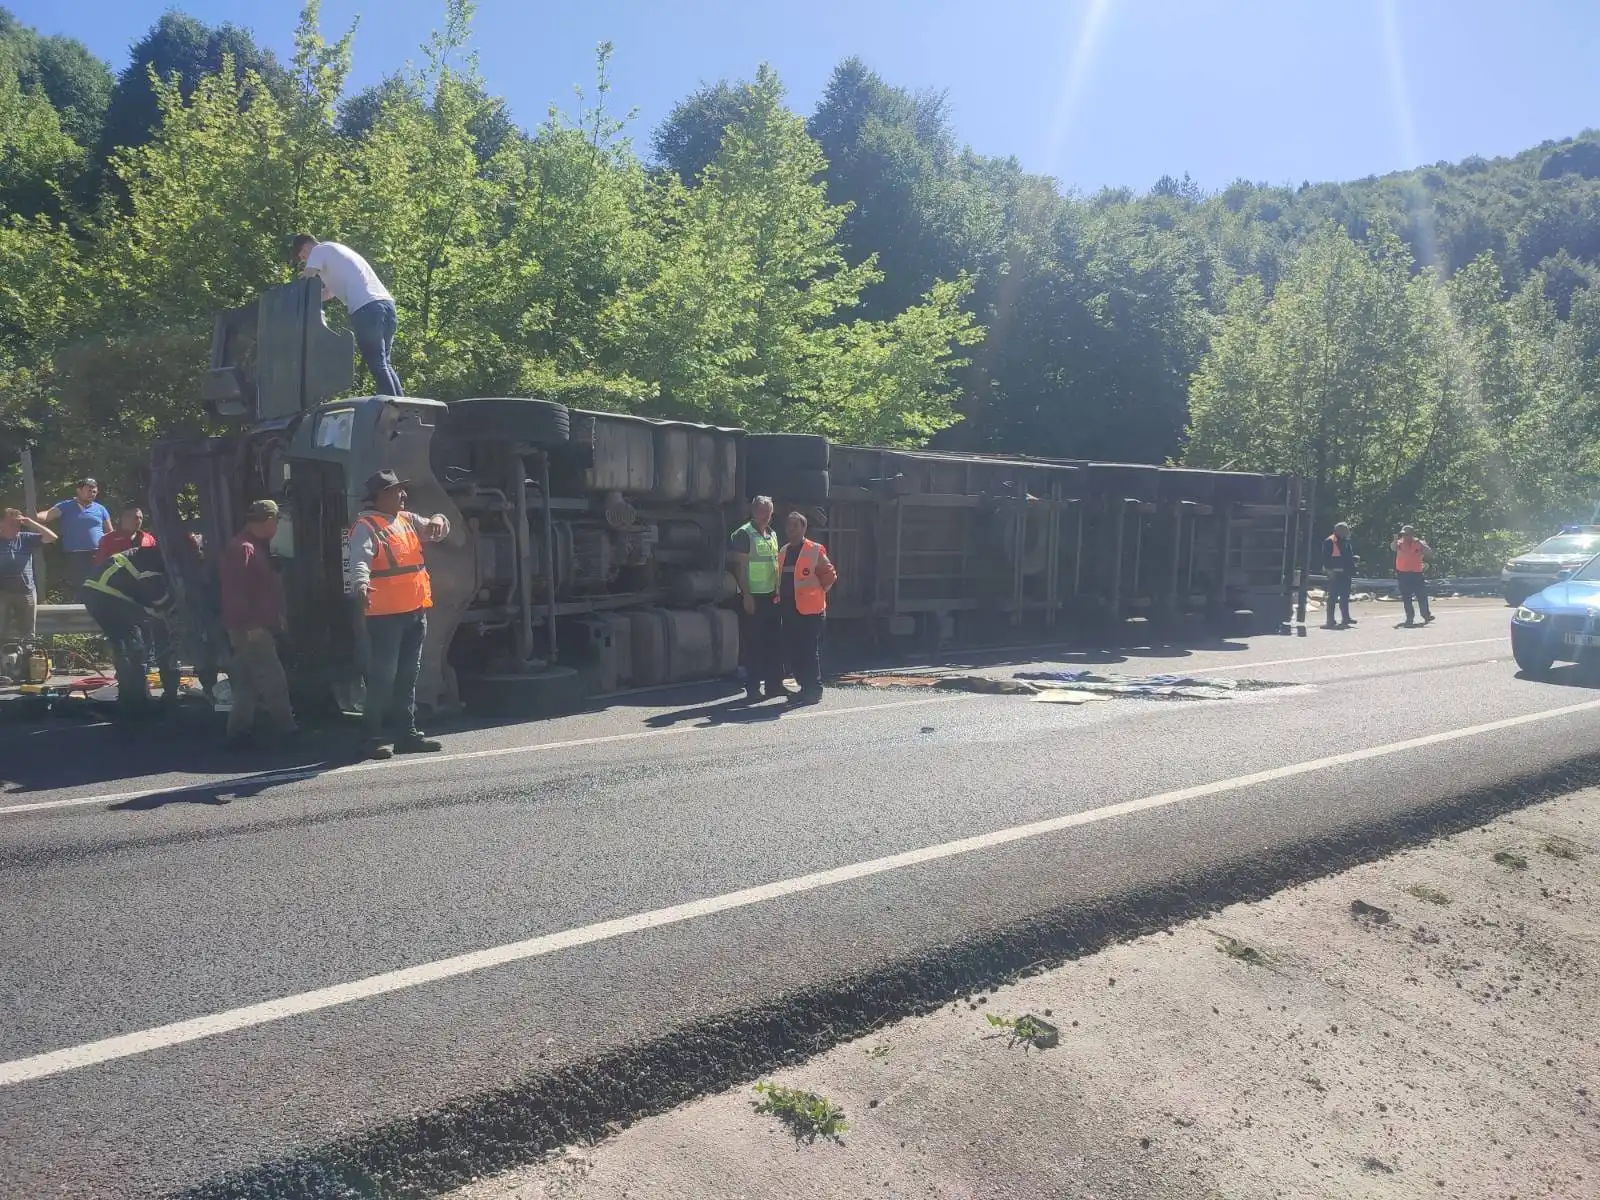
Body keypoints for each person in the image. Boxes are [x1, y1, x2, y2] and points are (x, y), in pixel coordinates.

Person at [345, 470, 449, 759]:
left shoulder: (407, 520)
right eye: (396, 491)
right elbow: (360, 560)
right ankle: (370, 737)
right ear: (380, 497)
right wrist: (361, 584)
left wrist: (441, 519)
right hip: (386, 615)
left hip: (414, 611)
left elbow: (437, 526)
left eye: (402, 491)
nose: (403, 495)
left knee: (407, 676)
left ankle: (407, 735)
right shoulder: (366, 526)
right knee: (383, 677)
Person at [219, 500, 297, 751]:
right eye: (276, 521)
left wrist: (276, 616)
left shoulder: (253, 547)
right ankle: (287, 732)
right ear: (267, 521)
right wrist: (252, 625)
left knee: (246, 683)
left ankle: (237, 735)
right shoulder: (243, 548)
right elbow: (236, 592)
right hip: (250, 629)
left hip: (248, 626)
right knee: (274, 678)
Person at [292, 234, 403, 397]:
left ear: (307, 246)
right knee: (384, 363)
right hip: (386, 305)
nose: (305, 260)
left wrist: (294, 297)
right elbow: (328, 294)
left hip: (367, 309)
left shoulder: (319, 250)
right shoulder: (336, 251)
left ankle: (394, 408)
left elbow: (307, 278)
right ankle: (402, 407)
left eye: (303, 256)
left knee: (377, 364)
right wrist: (310, 300)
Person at [81, 544, 178, 716]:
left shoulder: (149, 556)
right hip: (107, 595)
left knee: (126, 647)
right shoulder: (154, 565)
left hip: (99, 591)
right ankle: (136, 704)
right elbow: (159, 604)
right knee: (133, 647)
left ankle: (130, 697)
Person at [775, 511, 837, 706]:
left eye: (795, 526)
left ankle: (814, 690)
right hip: (790, 610)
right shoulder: (784, 551)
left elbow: (829, 576)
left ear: (803, 528)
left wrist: (818, 594)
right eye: (789, 526)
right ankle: (804, 688)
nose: (791, 529)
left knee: (808, 651)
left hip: (811, 612)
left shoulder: (813, 550)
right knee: (795, 651)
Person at [728, 495, 787, 702]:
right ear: (754, 512)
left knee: (774, 643)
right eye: (762, 512)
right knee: (753, 644)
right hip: (753, 597)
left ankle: (774, 685)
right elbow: (740, 567)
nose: (766, 516)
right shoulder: (744, 534)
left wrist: (779, 590)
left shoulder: (772, 534)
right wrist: (747, 595)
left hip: (772, 596)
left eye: (769, 512)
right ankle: (753, 688)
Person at [1, 508, 57, 672]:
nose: (16, 525)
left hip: (26, 591)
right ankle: (3, 669)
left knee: (28, 633)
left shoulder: (26, 539)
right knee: (1, 630)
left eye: (18, 522)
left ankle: (28, 667)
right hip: (2, 593)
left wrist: (31, 523)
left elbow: (52, 538)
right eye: (11, 521)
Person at [37, 478, 111, 591]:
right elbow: (47, 515)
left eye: (94, 492)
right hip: (76, 555)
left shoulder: (100, 509)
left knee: (100, 585)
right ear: (79, 491)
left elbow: (109, 532)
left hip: (98, 553)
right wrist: (32, 517)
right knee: (81, 586)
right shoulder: (66, 506)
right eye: (88, 491)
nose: (91, 494)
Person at [1393, 525, 1434, 627]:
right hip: (1403, 574)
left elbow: (1429, 553)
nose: (1404, 536)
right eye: (1403, 534)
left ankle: (1426, 615)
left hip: (1416, 574)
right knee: (1406, 597)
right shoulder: (1400, 543)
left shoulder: (1418, 543)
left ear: (1412, 534)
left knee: (1422, 595)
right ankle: (1409, 618)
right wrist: (1394, 540)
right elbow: (1393, 547)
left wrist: (1422, 545)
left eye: (1406, 534)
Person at [1322, 521, 1357, 630]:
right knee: (1332, 597)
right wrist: (1329, 570)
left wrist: (1354, 560)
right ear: (1339, 530)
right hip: (1335, 573)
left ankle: (1346, 618)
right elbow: (1325, 558)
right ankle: (1330, 621)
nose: (1348, 531)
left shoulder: (1345, 541)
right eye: (1345, 529)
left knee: (1345, 597)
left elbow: (1346, 556)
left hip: (1346, 573)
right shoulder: (1330, 541)